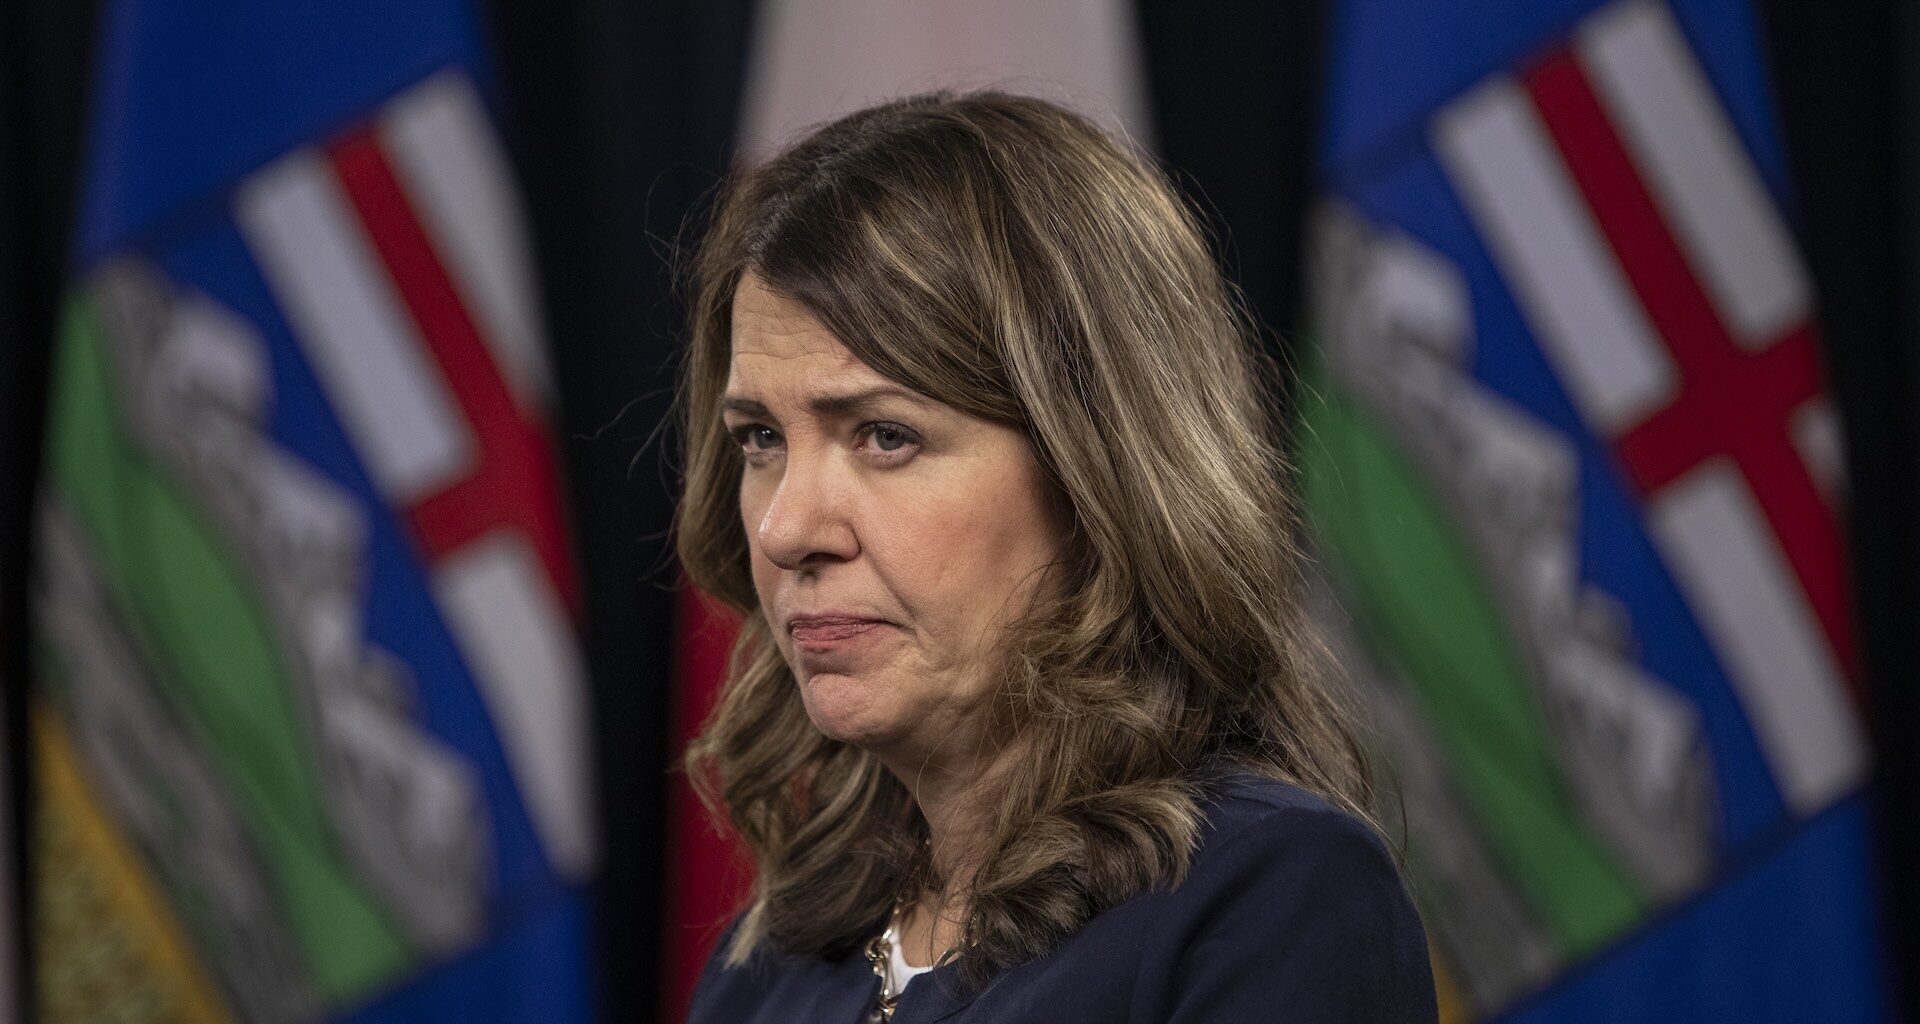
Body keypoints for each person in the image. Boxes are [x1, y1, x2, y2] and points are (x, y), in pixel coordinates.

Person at [674, 90, 1437, 1023]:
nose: (787, 530)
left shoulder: (1269, 900)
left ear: (1098, 474)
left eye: (884, 436)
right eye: (759, 440)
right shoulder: (767, 972)